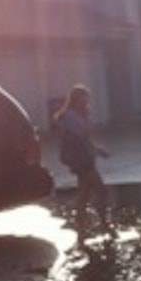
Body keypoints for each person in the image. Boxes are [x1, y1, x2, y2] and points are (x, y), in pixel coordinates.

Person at [53, 84, 111, 240]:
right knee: (101, 190)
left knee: (84, 193)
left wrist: (97, 150)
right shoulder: (70, 116)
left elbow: (85, 138)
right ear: (75, 99)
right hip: (80, 159)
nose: (86, 101)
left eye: (87, 98)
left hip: (85, 157)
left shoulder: (80, 114)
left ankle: (81, 224)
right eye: (83, 98)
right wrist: (95, 150)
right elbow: (78, 138)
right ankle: (103, 223)